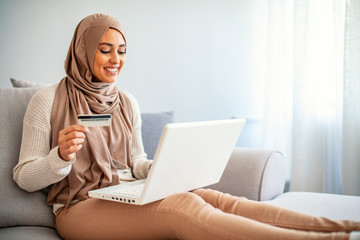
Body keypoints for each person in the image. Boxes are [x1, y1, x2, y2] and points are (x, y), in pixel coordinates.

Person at [13, 13, 360, 240]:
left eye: (121, 50)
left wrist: (161, 168)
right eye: (105, 50)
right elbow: (24, 177)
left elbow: (135, 162)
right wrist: (59, 156)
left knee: (215, 198)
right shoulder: (47, 100)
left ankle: (345, 228)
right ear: (83, 49)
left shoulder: (126, 101)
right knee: (184, 208)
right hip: (78, 209)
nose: (116, 60)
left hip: (124, 191)